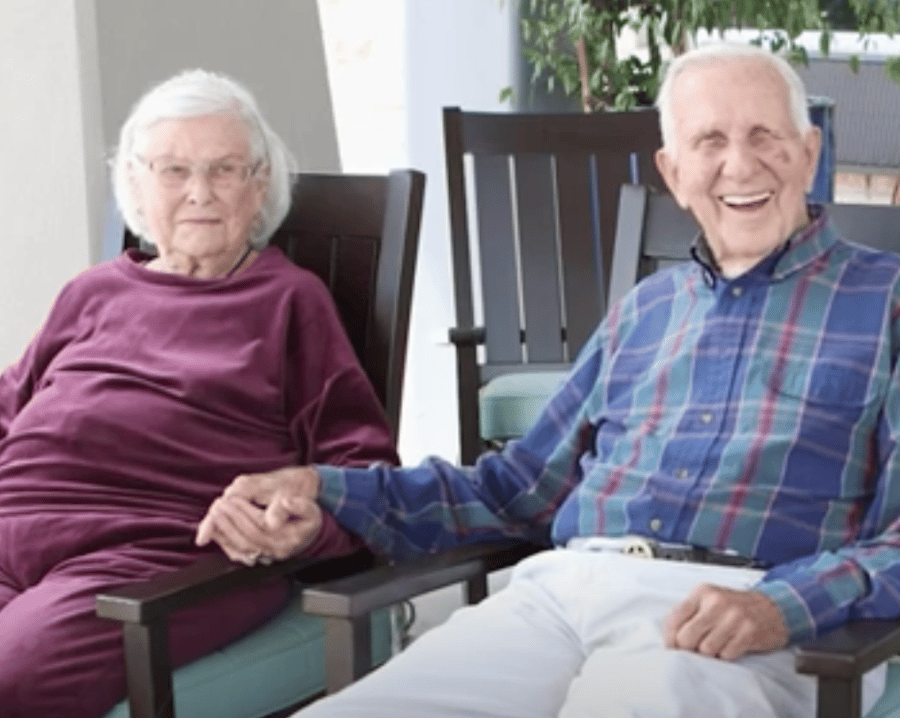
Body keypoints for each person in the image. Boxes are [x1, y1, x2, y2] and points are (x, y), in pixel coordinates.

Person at [208, 43, 900, 717]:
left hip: (745, 622)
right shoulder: (645, 311)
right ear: (673, 170)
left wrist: (785, 605)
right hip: (561, 595)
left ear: (809, 153)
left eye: (764, 136)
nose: (740, 164)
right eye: (710, 141)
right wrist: (323, 489)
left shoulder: (887, 302)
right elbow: (512, 489)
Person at [0, 69, 398, 718]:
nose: (200, 193)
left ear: (259, 185)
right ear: (135, 183)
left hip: (146, 559)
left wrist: (306, 529)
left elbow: (364, 468)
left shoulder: (289, 302)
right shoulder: (92, 292)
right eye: (174, 171)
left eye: (225, 170)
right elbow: (10, 404)